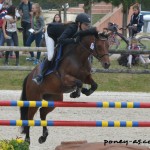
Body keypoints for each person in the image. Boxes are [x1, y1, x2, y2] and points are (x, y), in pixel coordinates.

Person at [33, 13, 96, 85]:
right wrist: (74, 40)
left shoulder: (82, 30)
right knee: (51, 56)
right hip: (51, 34)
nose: (87, 27)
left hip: (62, 37)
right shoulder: (72, 28)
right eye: (85, 25)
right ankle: (40, 76)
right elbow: (60, 40)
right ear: (79, 23)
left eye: (88, 25)